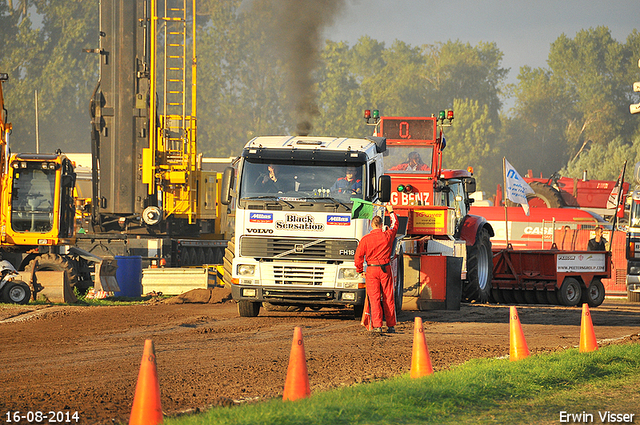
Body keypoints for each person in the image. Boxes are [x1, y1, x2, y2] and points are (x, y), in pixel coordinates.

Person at [354, 204, 399, 333]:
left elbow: (358, 256)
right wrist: (391, 212)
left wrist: (360, 271)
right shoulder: (387, 235)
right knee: (388, 297)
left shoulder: (365, 239)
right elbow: (395, 225)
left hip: (371, 270)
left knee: (374, 298)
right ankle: (390, 325)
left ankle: (377, 325)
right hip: (385, 269)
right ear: (380, 225)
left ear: (372, 225)